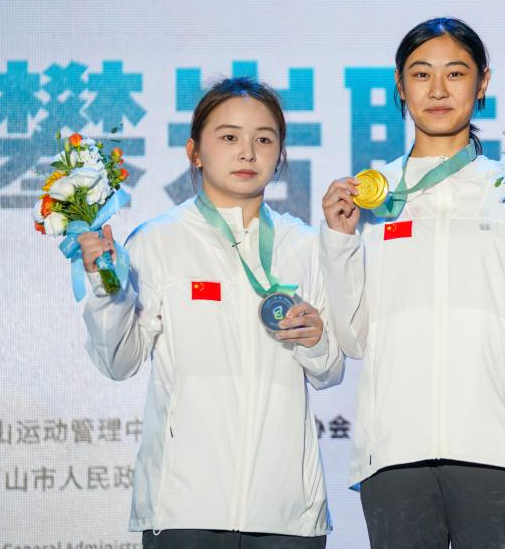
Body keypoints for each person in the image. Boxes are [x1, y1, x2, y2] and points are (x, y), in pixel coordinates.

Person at [318, 17, 505, 548]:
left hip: (495, 450)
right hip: (394, 452)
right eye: (421, 74)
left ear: (482, 83)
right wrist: (339, 241)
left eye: (455, 73)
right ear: (400, 85)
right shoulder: (371, 195)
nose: (437, 90)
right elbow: (354, 339)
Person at [79, 77, 343, 548]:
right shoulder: (159, 240)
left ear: (280, 155)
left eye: (264, 139)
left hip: (287, 513)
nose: (248, 152)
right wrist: (107, 290)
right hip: (184, 508)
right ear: (195, 152)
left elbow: (330, 371)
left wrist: (317, 339)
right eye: (229, 137)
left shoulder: (305, 245)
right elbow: (118, 362)